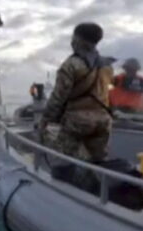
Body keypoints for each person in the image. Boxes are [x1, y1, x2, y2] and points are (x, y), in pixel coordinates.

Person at [39, 22, 114, 165]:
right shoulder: (107, 65)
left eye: (73, 38)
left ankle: (69, 184)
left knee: (66, 161)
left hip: (77, 121)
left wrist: (46, 120)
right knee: (100, 162)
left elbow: (58, 98)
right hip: (104, 121)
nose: (72, 41)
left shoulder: (71, 64)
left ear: (78, 39)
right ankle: (97, 186)